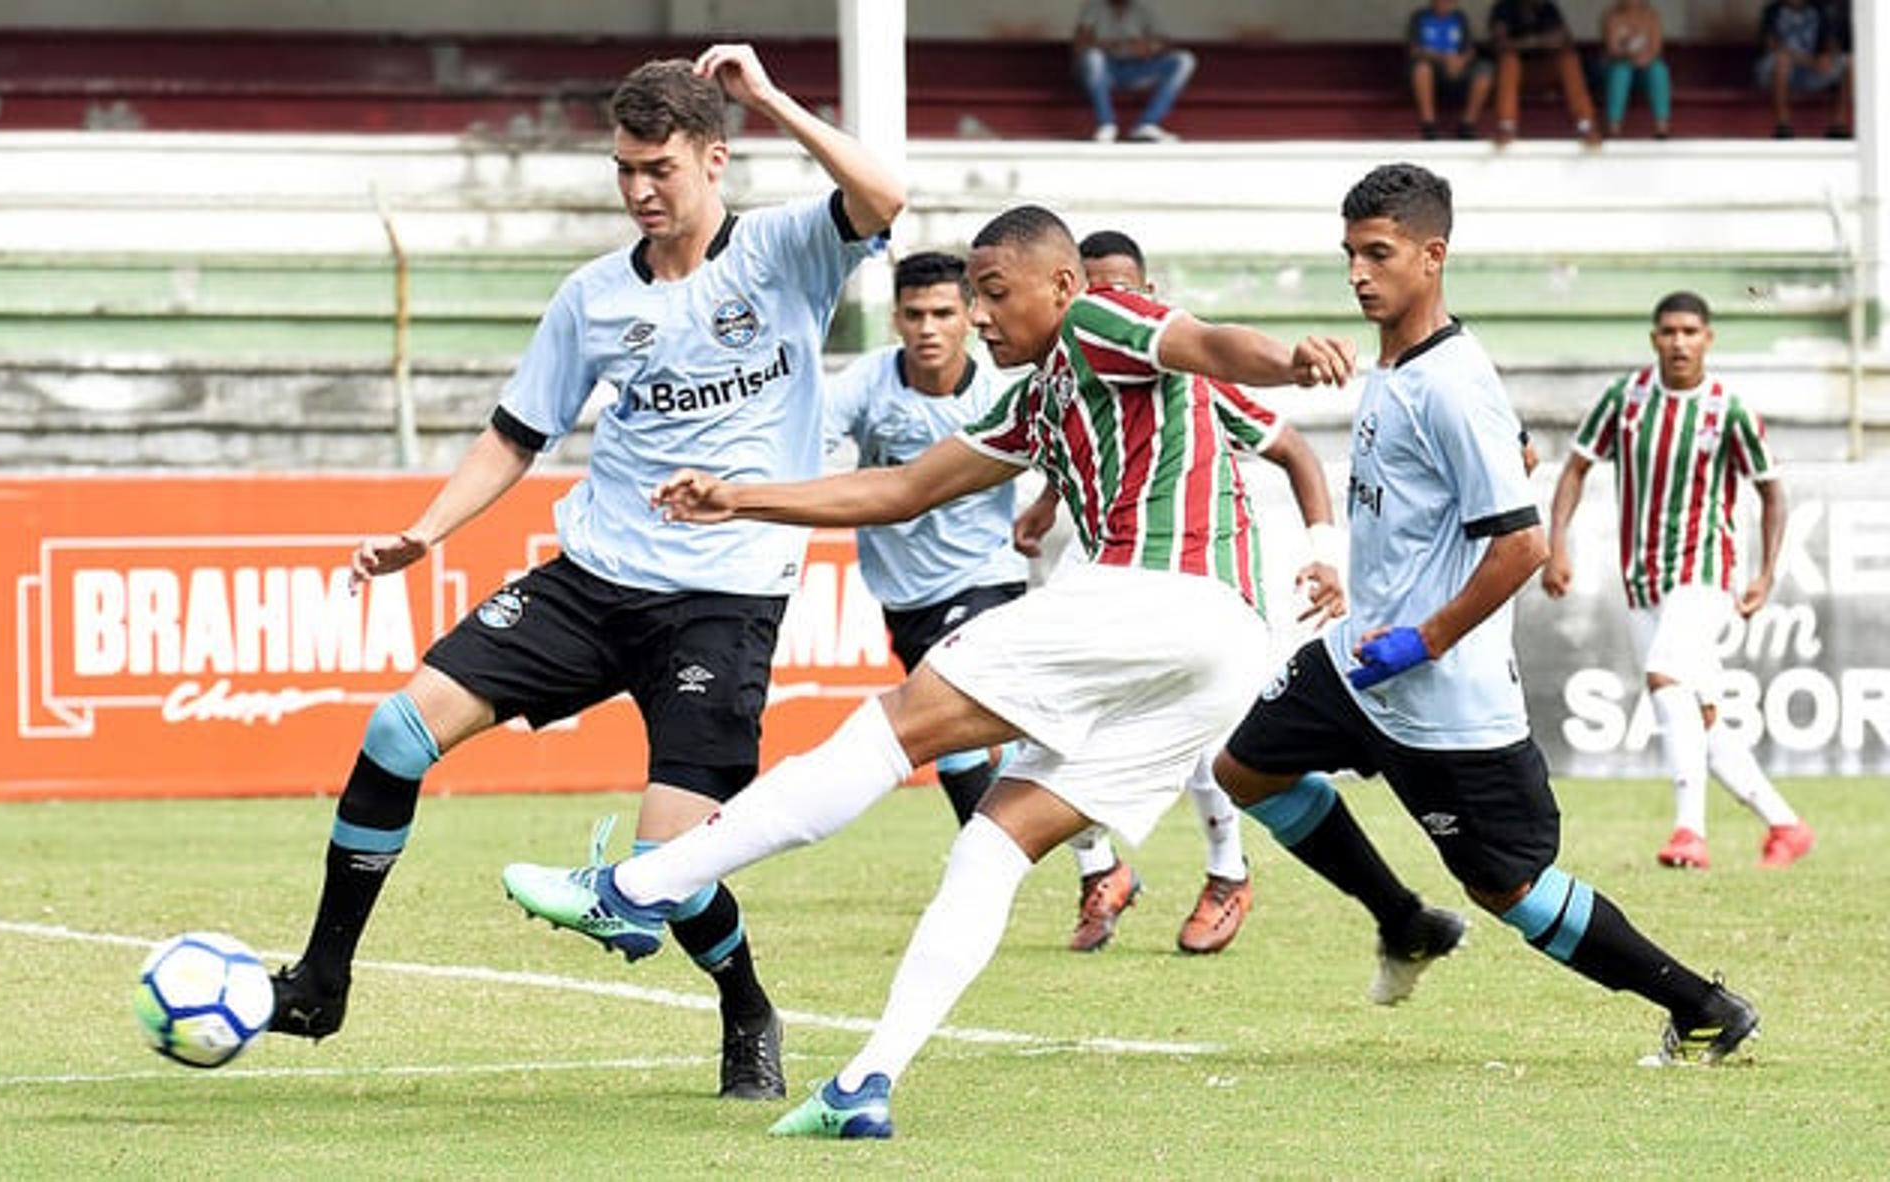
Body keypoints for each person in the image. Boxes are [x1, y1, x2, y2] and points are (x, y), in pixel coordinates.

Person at [502, 203, 1356, 1138]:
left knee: (891, 727)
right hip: (1224, 648)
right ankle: (865, 1084)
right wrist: (743, 498)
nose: (980, 316)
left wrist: (1290, 359)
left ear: (1062, 287)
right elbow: (902, 489)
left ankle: (635, 890)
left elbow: (1207, 341)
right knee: (990, 848)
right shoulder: (1037, 399)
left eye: (993, 294)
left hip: (1152, 590)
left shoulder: (1101, 318)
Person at [263, 45, 903, 1104]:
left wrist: (774, 95)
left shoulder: (790, 249)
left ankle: (747, 1008)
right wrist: (425, 534)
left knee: (667, 869)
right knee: (393, 730)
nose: (642, 190)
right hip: (594, 579)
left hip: (726, 597)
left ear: (714, 159)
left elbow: (884, 195)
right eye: (625, 170)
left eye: (661, 168)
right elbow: (515, 435)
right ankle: (323, 980)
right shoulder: (593, 295)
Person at [1212, 163, 1759, 1076]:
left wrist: (1421, 638)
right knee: (1245, 769)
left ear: (1433, 257)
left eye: (1378, 254)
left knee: (1508, 887)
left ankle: (1703, 1007)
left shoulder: (1453, 383)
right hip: (1358, 662)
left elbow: (1523, 546)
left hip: (1440, 695)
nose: (1358, 272)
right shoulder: (1394, 365)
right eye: (1349, 253)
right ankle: (1404, 922)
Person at [1017, 228, 1341, 956]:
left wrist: (1325, 551)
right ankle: (1101, 871)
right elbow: (1073, 439)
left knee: (1196, 727)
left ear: (1148, 295)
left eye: (1118, 288)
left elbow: (1293, 450)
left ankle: (1227, 873)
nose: (1104, 304)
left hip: (1188, 572)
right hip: (1098, 563)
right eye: (1091, 289)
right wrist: (1046, 501)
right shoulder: (1064, 372)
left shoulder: (1185, 375)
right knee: (1037, 708)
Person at [1543, 292, 1813, 870]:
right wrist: (1556, 543)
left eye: (1691, 331)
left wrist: (1765, 573)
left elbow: (1771, 492)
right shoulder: (1626, 400)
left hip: (1706, 573)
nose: (1680, 342)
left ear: (1708, 339)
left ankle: (1690, 831)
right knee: (1698, 710)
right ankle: (1786, 825)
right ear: (1654, 339)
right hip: (1642, 579)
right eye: (1669, 331)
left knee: (1666, 675)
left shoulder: (1728, 410)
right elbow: (1576, 468)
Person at [825, 250, 1024, 826]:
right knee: (970, 738)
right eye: (914, 314)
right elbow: (809, 442)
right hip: (906, 595)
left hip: (986, 579)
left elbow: (1062, 457)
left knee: (951, 731)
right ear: (895, 318)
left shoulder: (994, 394)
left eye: (942, 313)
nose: (928, 328)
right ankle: (1099, 865)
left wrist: (1043, 511)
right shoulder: (869, 381)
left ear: (969, 316)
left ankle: (988, 860)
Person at [1072, 0, 1197, 143]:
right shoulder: (1093, 7)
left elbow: (1165, 42)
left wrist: (1150, 46)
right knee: (1093, 57)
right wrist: (1109, 45)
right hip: (1104, 70)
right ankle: (1106, 124)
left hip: (1135, 69)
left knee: (1184, 60)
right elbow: (1079, 46)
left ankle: (1147, 124)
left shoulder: (1143, 9)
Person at [1489, 0, 1601, 146]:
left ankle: (1585, 125)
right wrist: (1536, 41)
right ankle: (1506, 126)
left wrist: (1554, 41)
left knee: (1568, 59)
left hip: (1545, 72)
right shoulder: (1503, 8)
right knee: (1509, 60)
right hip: (1516, 76)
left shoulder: (1548, 8)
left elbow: (1566, 40)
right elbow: (1500, 44)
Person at [1755, 0, 1852, 139]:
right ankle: (1783, 126)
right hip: (1772, 72)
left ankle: (1839, 125)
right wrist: (1809, 61)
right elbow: (1773, 45)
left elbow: (1831, 41)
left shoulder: (1819, 10)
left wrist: (1828, 56)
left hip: (1807, 72)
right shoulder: (1772, 10)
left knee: (1848, 62)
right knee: (1783, 61)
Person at [1406, 0, 1495, 140]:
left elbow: (1470, 50)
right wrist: (1443, 58)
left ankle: (1467, 124)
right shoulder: (1420, 17)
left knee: (1485, 69)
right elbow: (1414, 51)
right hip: (1432, 69)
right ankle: (1429, 125)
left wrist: (1460, 61)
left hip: (1458, 69)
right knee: (1422, 69)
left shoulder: (1459, 17)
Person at [1601, 0, 1671, 139]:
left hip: (1644, 69)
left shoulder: (1651, 16)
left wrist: (1644, 59)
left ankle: (1661, 126)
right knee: (1622, 70)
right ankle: (1614, 126)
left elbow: (1656, 49)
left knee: (1659, 69)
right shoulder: (1612, 16)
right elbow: (1613, 49)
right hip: (1619, 69)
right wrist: (1630, 55)